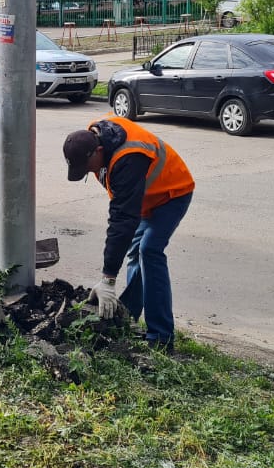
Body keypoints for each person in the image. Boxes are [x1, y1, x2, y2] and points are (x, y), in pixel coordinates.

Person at [63, 116, 194, 352]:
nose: (88, 172)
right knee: (135, 253)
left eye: (87, 167)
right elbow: (123, 213)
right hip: (142, 199)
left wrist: (108, 279)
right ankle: (126, 317)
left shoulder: (129, 158)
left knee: (149, 250)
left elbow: (122, 219)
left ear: (99, 151)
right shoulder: (92, 137)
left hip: (171, 194)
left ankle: (161, 338)